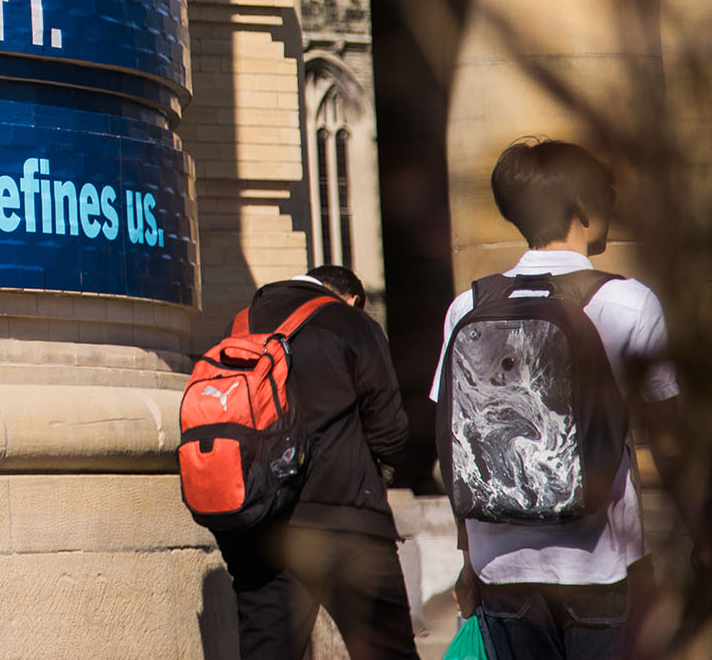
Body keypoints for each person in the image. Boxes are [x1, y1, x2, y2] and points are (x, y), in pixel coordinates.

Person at [433, 139, 685, 660]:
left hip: (499, 566)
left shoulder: (468, 306)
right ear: (584, 208)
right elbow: (671, 441)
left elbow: (457, 445)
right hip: (599, 563)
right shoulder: (627, 302)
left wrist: (467, 560)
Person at [216, 263, 421, 660]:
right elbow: (392, 435)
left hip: (259, 526)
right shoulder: (351, 324)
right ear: (351, 299)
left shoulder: (240, 324)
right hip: (345, 523)